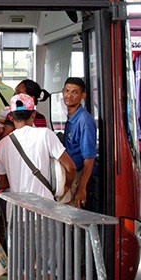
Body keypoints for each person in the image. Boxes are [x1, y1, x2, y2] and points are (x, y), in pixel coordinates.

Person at [0, 93, 75, 202]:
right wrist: (65, 187)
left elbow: (1, 181)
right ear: (33, 114)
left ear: (11, 117)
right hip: (45, 207)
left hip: (17, 211)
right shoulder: (45, 134)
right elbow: (70, 167)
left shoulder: (1, 145)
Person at [62, 77, 97, 210]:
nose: (69, 96)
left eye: (75, 92)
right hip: (69, 174)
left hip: (78, 175)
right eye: (67, 91)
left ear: (83, 96)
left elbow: (89, 158)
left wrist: (82, 188)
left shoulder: (84, 120)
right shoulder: (71, 116)